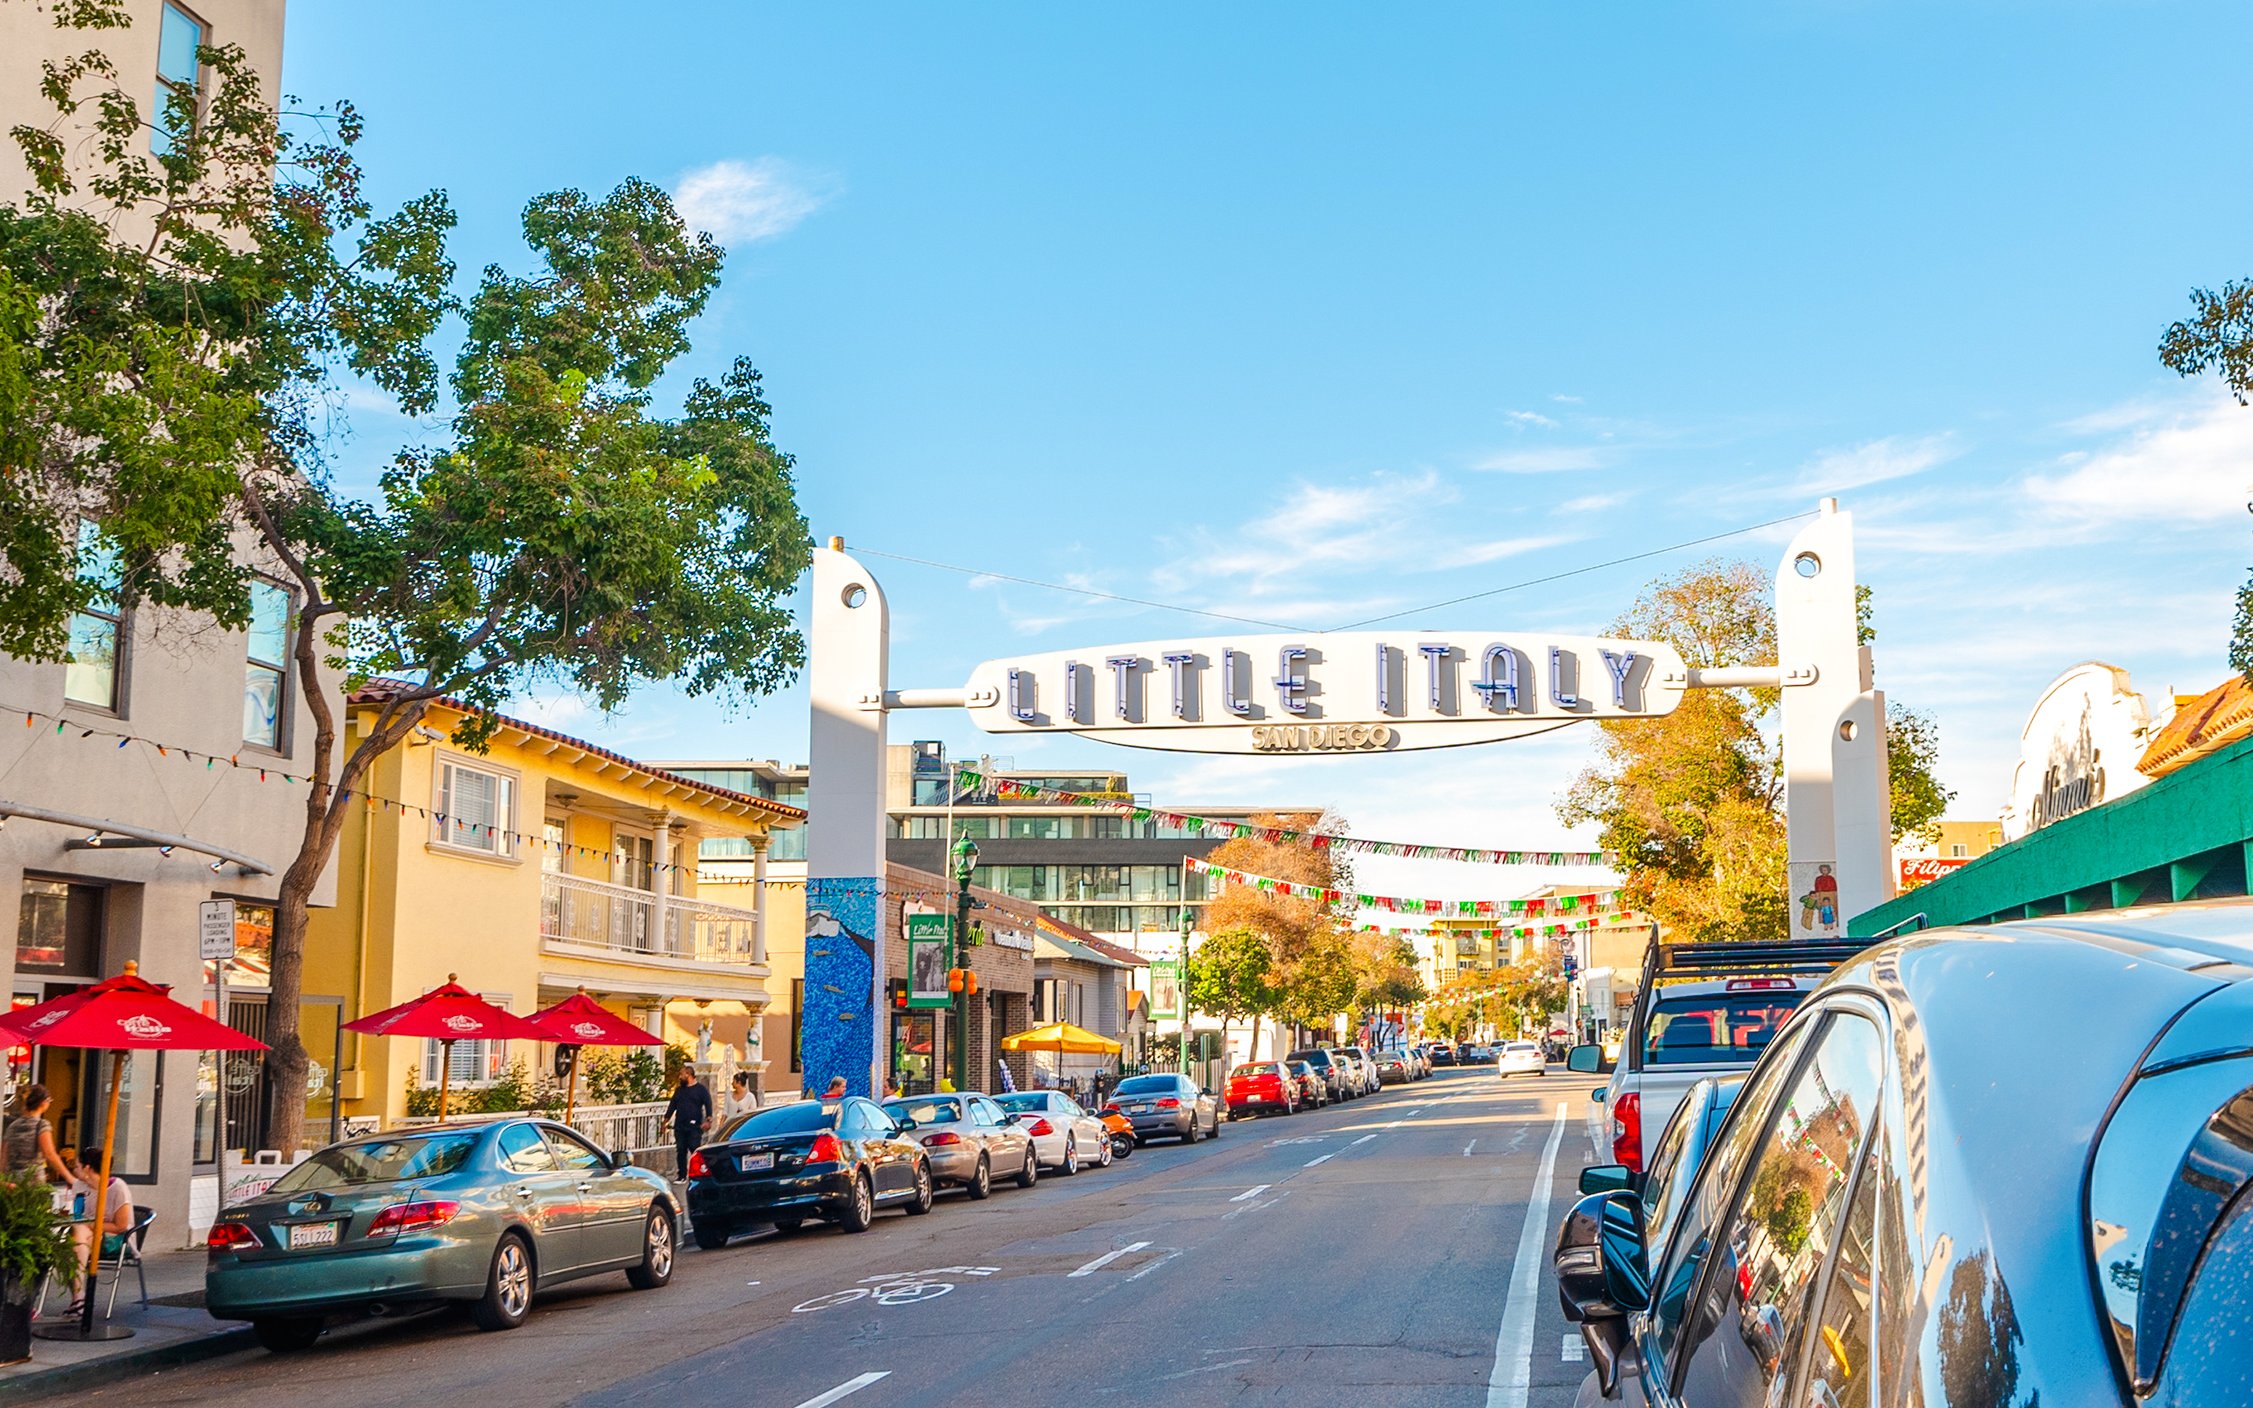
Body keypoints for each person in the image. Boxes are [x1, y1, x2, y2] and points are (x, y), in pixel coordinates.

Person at [66, 1147, 133, 1317]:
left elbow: (121, 1226)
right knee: (74, 1242)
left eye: (77, 1166)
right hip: (88, 1237)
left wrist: (91, 1225)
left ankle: (78, 1299)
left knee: (76, 1240)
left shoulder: (117, 1188)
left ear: (88, 1168)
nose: (75, 1170)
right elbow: (76, 1215)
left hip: (116, 1240)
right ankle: (79, 1300)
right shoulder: (80, 1187)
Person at [4, 1083, 73, 1185]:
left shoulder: (12, 1126)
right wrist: (69, 1177)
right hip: (33, 1181)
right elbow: (49, 1154)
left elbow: (3, 1158)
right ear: (44, 1102)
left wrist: (4, 1181)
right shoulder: (41, 1125)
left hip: (12, 1181)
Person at [658, 1067, 712, 1181]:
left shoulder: (700, 1090)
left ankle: (698, 1173)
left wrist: (708, 1120)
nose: (679, 1077)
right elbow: (672, 1106)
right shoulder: (679, 1091)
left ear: (688, 1075)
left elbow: (708, 1104)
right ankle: (682, 1175)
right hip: (680, 1126)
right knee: (681, 1151)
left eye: (681, 1074)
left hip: (695, 1127)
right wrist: (665, 1121)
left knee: (694, 1149)